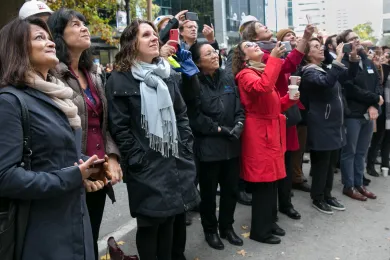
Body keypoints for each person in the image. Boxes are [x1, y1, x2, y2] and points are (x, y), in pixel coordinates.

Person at [0, 17, 103, 260]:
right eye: (39, 38)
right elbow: (5, 177)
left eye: (48, 37)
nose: (50, 43)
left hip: (76, 218)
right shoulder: (10, 101)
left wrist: (90, 165)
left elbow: (60, 154)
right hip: (42, 230)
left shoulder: (58, 96)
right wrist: (73, 176)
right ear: (17, 48)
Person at [106, 19, 199, 260]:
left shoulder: (166, 72)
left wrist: (185, 145)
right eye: (146, 34)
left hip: (174, 159)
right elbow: (120, 127)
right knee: (150, 223)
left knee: (169, 219)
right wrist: (138, 160)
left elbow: (181, 114)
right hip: (145, 165)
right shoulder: (120, 78)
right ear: (131, 43)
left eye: (154, 34)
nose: (154, 38)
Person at [47, 9, 122, 260]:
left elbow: (104, 123)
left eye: (84, 24)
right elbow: (55, 132)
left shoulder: (94, 75)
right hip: (72, 170)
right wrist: (77, 169)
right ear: (59, 34)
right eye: (76, 24)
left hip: (99, 171)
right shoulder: (52, 75)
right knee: (72, 243)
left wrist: (112, 156)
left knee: (92, 236)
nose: (84, 28)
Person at [241, 22, 315, 220]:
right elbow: (272, 79)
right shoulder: (262, 60)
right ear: (254, 38)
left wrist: (290, 97)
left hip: (278, 115)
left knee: (285, 161)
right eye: (260, 26)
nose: (266, 26)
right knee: (269, 173)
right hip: (266, 123)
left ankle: (279, 208)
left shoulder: (269, 54)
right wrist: (304, 40)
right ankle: (270, 215)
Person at [233, 40, 300, 244]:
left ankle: (269, 223)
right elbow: (262, 89)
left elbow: (275, 105)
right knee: (263, 184)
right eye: (248, 46)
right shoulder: (245, 75)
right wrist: (274, 59)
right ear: (244, 57)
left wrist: (290, 98)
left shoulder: (262, 71)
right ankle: (259, 231)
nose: (254, 46)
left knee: (272, 182)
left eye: (255, 44)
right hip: (259, 133)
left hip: (270, 130)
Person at [188, 42, 245, 250]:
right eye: (208, 53)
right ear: (198, 62)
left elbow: (239, 107)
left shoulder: (227, 77)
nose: (214, 55)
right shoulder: (194, 82)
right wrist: (219, 130)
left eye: (214, 52)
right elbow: (195, 117)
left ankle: (227, 227)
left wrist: (239, 124)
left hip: (231, 145)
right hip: (209, 147)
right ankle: (210, 230)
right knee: (209, 194)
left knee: (231, 190)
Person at [299, 38, 359, 214]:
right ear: (307, 54)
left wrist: (353, 58)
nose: (321, 49)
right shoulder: (309, 72)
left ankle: (327, 194)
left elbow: (348, 77)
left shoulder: (325, 68)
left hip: (335, 124)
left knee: (332, 162)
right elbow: (326, 83)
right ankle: (318, 197)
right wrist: (338, 59)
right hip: (321, 124)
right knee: (321, 164)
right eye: (316, 47)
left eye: (321, 46)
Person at [337, 29, 383, 201]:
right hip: (353, 114)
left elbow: (377, 83)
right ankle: (348, 186)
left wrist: (373, 105)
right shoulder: (345, 63)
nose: (356, 40)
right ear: (345, 44)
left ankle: (359, 183)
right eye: (351, 39)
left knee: (362, 151)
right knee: (350, 151)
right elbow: (351, 88)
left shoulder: (367, 61)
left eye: (357, 37)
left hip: (368, 114)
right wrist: (374, 99)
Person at [277, 29, 311, 193]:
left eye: (293, 35)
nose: (292, 37)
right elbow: (288, 67)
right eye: (287, 35)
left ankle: (293, 180)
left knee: (296, 149)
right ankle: (288, 183)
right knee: (285, 153)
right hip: (284, 109)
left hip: (297, 108)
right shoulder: (277, 59)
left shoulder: (301, 58)